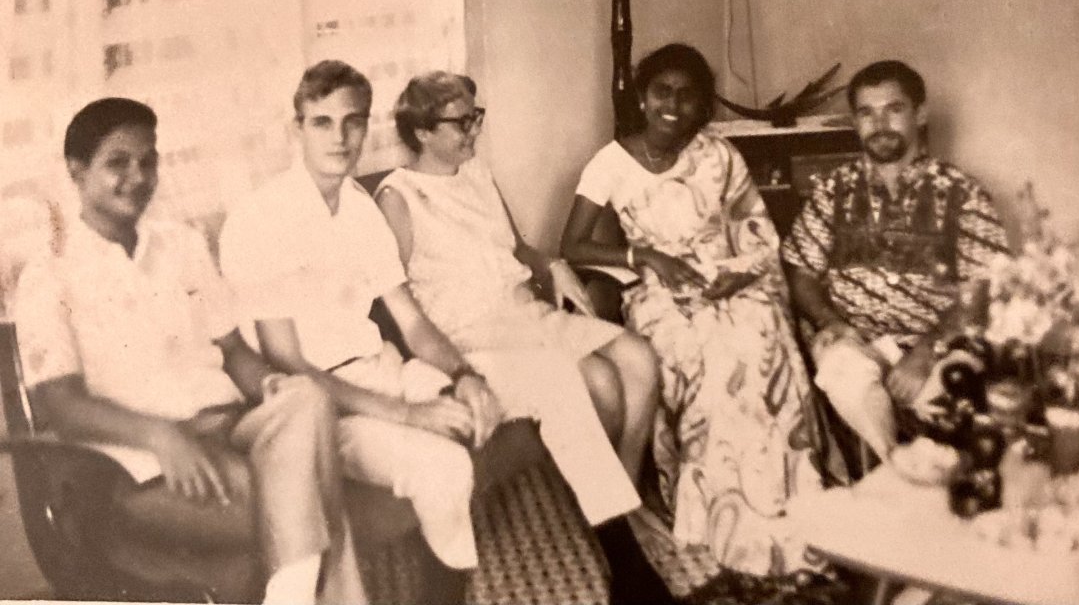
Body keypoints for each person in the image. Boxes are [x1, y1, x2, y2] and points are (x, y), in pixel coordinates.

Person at [13, 98, 366, 605]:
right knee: (298, 491)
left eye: (148, 160)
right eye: (117, 162)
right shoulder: (50, 275)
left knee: (306, 396)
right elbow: (60, 405)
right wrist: (159, 437)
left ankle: (292, 591)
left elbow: (233, 352)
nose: (138, 176)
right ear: (77, 170)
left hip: (230, 427)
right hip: (141, 460)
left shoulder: (181, 244)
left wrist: (267, 384)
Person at [375, 70, 677, 605]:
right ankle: (619, 543)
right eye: (460, 122)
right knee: (599, 382)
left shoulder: (478, 175)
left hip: (524, 312)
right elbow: (393, 302)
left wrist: (553, 264)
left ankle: (619, 500)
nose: (473, 131)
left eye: (476, 117)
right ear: (421, 132)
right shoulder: (399, 198)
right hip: (470, 335)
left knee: (638, 358)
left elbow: (518, 249)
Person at [562, 43, 843, 577]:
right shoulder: (611, 161)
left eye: (688, 97)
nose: (674, 106)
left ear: (703, 108)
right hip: (659, 290)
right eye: (662, 92)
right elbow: (572, 244)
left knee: (762, 338)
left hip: (733, 277)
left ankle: (788, 502)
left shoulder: (720, 155)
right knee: (708, 359)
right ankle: (719, 514)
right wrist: (641, 254)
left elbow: (756, 230)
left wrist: (734, 273)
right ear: (643, 99)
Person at [219, 60, 503, 573]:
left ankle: (436, 566)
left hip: (382, 369)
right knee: (443, 467)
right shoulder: (260, 218)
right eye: (322, 122)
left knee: (477, 408)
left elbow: (412, 324)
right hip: (320, 408)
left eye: (353, 121)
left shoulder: (360, 209)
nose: (341, 137)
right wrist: (410, 416)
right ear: (297, 129)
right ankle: (447, 590)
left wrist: (465, 376)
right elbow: (288, 365)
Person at [781, 60, 1010, 462]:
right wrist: (831, 322)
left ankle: (919, 481)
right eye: (867, 113)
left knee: (955, 406)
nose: (880, 124)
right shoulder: (833, 190)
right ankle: (892, 470)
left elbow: (984, 289)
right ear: (855, 121)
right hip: (856, 341)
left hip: (937, 346)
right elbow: (801, 272)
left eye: (894, 109)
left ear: (919, 114)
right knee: (842, 371)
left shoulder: (962, 193)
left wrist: (925, 352)